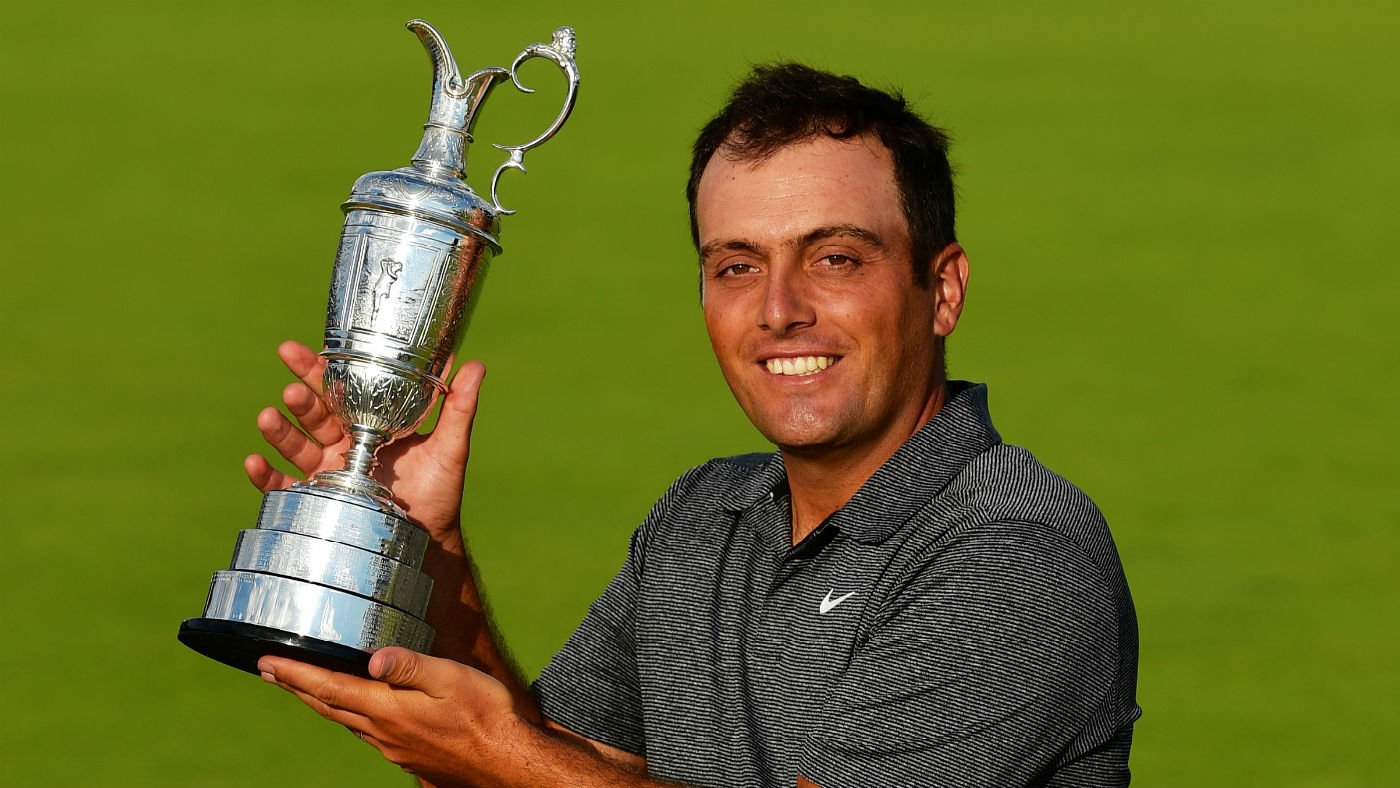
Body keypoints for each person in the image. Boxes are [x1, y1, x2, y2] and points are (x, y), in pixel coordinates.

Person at [249, 63, 1141, 788]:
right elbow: (564, 755)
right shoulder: (700, 518)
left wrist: (507, 763)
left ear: (940, 289)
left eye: (835, 258)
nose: (780, 310)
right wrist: (426, 557)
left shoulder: (1017, 552)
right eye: (737, 266)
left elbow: (530, 769)